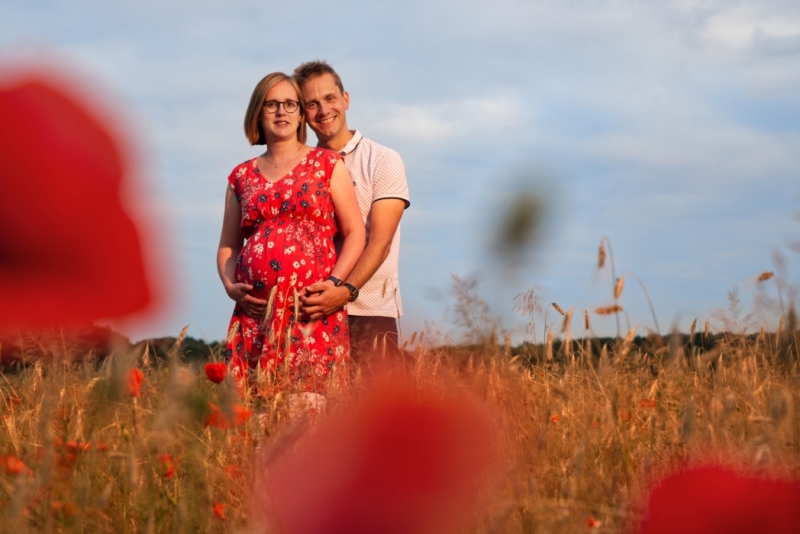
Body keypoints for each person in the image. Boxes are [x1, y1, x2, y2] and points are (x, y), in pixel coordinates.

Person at [217, 72, 365, 392]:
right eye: (272, 104)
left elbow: (355, 232)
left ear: (300, 114)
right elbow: (228, 246)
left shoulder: (327, 163)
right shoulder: (240, 176)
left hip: (311, 312)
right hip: (255, 316)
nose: (281, 111)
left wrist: (335, 283)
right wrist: (231, 286)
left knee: (309, 411)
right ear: (258, 112)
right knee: (255, 419)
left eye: (289, 104)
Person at [294, 61, 410, 364]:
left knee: (377, 409)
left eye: (330, 99)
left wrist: (344, 292)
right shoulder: (299, 169)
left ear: (345, 99)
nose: (323, 111)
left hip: (368, 308)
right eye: (311, 104)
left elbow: (380, 242)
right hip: (311, 310)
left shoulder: (383, 159)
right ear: (302, 113)